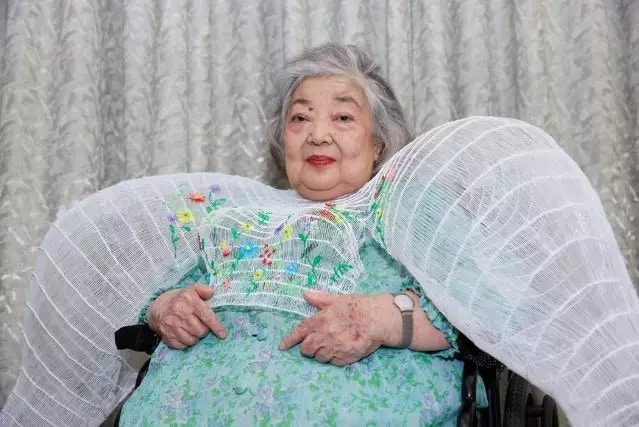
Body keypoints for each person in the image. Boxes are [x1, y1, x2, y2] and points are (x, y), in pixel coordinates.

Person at [119, 43, 485, 426]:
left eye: (343, 117)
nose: (318, 135)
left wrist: (383, 318)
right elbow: (163, 299)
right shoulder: (236, 215)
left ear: (378, 142)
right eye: (300, 118)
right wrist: (165, 309)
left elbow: (488, 315)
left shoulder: (417, 210)